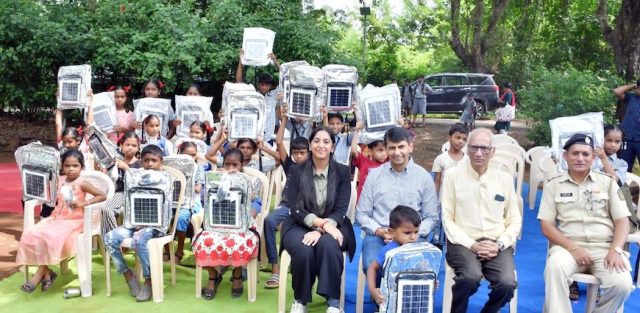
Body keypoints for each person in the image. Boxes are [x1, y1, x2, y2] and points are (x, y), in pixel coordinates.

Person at [538, 133, 633, 313]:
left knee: (623, 284)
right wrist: (574, 248)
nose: (580, 158)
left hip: (604, 248)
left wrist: (616, 250)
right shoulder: (554, 185)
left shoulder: (608, 183)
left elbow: (623, 221)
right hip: (568, 248)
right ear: (566, 156)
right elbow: (546, 225)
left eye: (585, 154)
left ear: (593, 156)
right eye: (575, 153)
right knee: (554, 267)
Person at [441, 128, 521, 313]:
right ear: (467, 149)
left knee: (507, 283)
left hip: (496, 243)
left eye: (484, 148)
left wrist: (499, 245)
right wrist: (472, 245)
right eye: (474, 147)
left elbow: (514, 220)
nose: (478, 153)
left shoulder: (504, 179)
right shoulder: (453, 176)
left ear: (492, 151)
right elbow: (447, 218)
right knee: (469, 277)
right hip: (462, 242)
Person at [281, 127, 356, 313]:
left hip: (335, 223)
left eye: (326, 141)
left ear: (332, 147)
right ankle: (300, 300)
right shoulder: (296, 171)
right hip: (300, 223)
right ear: (310, 145)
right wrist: (320, 224)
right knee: (303, 249)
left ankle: (333, 303)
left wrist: (323, 229)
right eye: (316, 141)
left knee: (329, 245)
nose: (321, 145)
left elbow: (340, 208)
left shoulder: (343, 172)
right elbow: (295, 207)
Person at [17, 149, 106, 293]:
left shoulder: (82, 183)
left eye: (75, 166)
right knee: (31, 234)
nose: (71, 169)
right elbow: (48, 194)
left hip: (74, 220)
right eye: (67, 166)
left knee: (52, 236)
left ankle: (40, 273)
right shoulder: (59, 180)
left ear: (81, 166)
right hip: (56, 217)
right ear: (62, 166)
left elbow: (102, 195)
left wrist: (85, 202)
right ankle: (46, 272)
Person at [355, 127, 439, 279]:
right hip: (380, 235)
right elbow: (361, 214)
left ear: (410, 147)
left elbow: (432, 217)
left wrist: (412, 234)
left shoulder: (424, 177)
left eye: (401, 147)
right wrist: (379, 230)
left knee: (418, 269)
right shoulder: (374, 176)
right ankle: (382, 301)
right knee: (371, 264)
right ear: (386, 149)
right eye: (392, 148)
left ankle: (407, 302)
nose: (397, 152)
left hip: (414, 235)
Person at [104, 145, 170, 302]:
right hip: (133, 222)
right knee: (109, 238)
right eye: (146, 160)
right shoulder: (134, 175)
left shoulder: (165, 177)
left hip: (155, 226)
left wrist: (128, 169)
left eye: (154, 160)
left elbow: (150, 182)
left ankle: (149, 280)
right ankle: (128, 274)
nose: (150, 164)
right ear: (141, 161)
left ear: (161, 162)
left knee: (140, 239)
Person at [192, 149, 260, 300]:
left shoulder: (249, 180)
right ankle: (213, 276)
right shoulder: (215, 178)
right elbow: (205, 197)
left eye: (235, 165)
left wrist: (238, 181)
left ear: (243, 164)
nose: (230, 169)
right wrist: (219, 180)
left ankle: (237, 274)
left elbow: (254, 198)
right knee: (202, 242)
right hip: (217, 224)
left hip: (243, 225)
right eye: (227, 164)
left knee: (239, 242)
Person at [262, 108, 310, 289]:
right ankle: (275, 268)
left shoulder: (315, 167)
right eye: (296, 152)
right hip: (286, 207)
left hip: (306, 210)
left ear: (309, 152)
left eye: (302, 152)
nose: (298, 156)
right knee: (268, 221)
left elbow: (327, 143)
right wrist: (283, 119)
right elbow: (279, 141)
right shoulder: (290, 166)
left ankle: (298, 265)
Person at [366, 205, 421, 305]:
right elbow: (372, 268)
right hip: (390, 298)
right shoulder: (389, 251)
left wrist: (430, 282)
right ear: (392, 232)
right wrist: (373, 290)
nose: (413, 237)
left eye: (416, 232)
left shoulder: (417, 249)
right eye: (407, 233)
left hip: (412, 298)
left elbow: (421, 270)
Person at [101, 132, 141, 237]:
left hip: (130, 194)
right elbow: (109, 179)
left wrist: (126, 168)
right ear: (121, 146)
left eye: (134, 145)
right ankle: (114, 238)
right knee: (103, 209)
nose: (130, 148)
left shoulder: (139, 163)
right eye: (127, 145)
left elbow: (139, 181)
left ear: (138, 148)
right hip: (115, 193)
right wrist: (106, 172)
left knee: (107, 209)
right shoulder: (116, 162)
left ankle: (114, 238)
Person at [236, 49, 281, 142]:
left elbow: (285, 78)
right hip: (253, 136)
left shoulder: (274, 95)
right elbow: (239, 83)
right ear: (258, 84)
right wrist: (241, 62)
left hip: (268, 137)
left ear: (271, 86)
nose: (264, 87)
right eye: (262, 84)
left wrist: (274, 60)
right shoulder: (253, 95)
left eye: (267, 85)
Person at [172, 141, 204, 262]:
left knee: (182, 217)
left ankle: (179, 251)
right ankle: (165, 250)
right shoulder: (173, 168)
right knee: (162, 215)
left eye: (193, 155)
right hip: (173, 201)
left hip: (190, 202)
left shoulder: (198, 169)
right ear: (179, 153)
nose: (190, 158)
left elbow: (198, 189)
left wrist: (185, 182)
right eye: (187, 155)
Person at [350, 121, 388, 201]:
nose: (384, 154)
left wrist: (399, 126)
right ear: (370, 151)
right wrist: (357, 131)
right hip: (363, 201)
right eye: (380, 150)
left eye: (386, 150)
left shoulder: (388, 163)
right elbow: (353, 151)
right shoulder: (364, 162)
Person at [432, 123, 469, 196]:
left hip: (462, 200)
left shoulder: (468, 160)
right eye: (458, 137)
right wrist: (435, 200)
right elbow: (437, 182)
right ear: (449, 138)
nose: (461, 141)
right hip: (444, 200)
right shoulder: (440, 159)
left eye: (464, 139)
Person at [614, 80, 640, 172]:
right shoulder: (632, 97)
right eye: (637, 87)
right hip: (627, 139)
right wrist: (633, 85)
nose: (637, 89)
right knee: (623, 167)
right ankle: (623, 186)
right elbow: (616, 91)